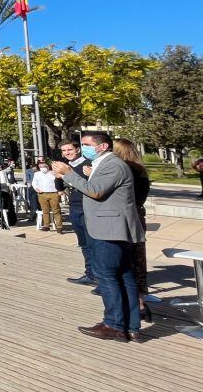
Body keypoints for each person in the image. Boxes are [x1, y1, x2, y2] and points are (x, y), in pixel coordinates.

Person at [52, 131, 145, 342]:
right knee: (124, 276)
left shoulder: (113, 164)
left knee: (108, 276)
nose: (82, 148)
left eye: (85, 144)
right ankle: (131, 326)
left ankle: (114, 324)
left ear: (102, 147)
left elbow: (95, 191)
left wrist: (69, 173)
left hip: (109, 230)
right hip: (109, 228)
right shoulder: (105, 164)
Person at [114, 137, 153, 325]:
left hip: (124, 218)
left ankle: (134, 305)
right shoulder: (142, 172)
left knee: (125, 261)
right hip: (139, 216)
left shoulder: (122, 171)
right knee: (138, 259)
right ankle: (141, 299)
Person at [60, 141, 94, 286]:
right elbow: (60, 187)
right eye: (64, 151)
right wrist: (58, 177)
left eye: (70, 149)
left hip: (87, 207)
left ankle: (100, 276)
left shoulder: (88, 164)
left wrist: (68, 174)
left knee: (92, 243)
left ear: (78, 149)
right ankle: (90, 274)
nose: (67, 153)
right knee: (84, 243)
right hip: (74, 207)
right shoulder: (65, 166)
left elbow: (90, 185)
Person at [31, 160, 63, 233]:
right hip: (42, 194)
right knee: (45, 210)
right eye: (41, 167)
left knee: (56, 210)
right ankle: (46, 225)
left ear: (48, 166)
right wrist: (36, 188)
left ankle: (59, 226)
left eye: (44, 166)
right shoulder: (37, 174)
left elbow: (59, 182)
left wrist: (60, 191)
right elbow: (34, 182)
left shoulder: (53, 173)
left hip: (53, 193)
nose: (43, 168)